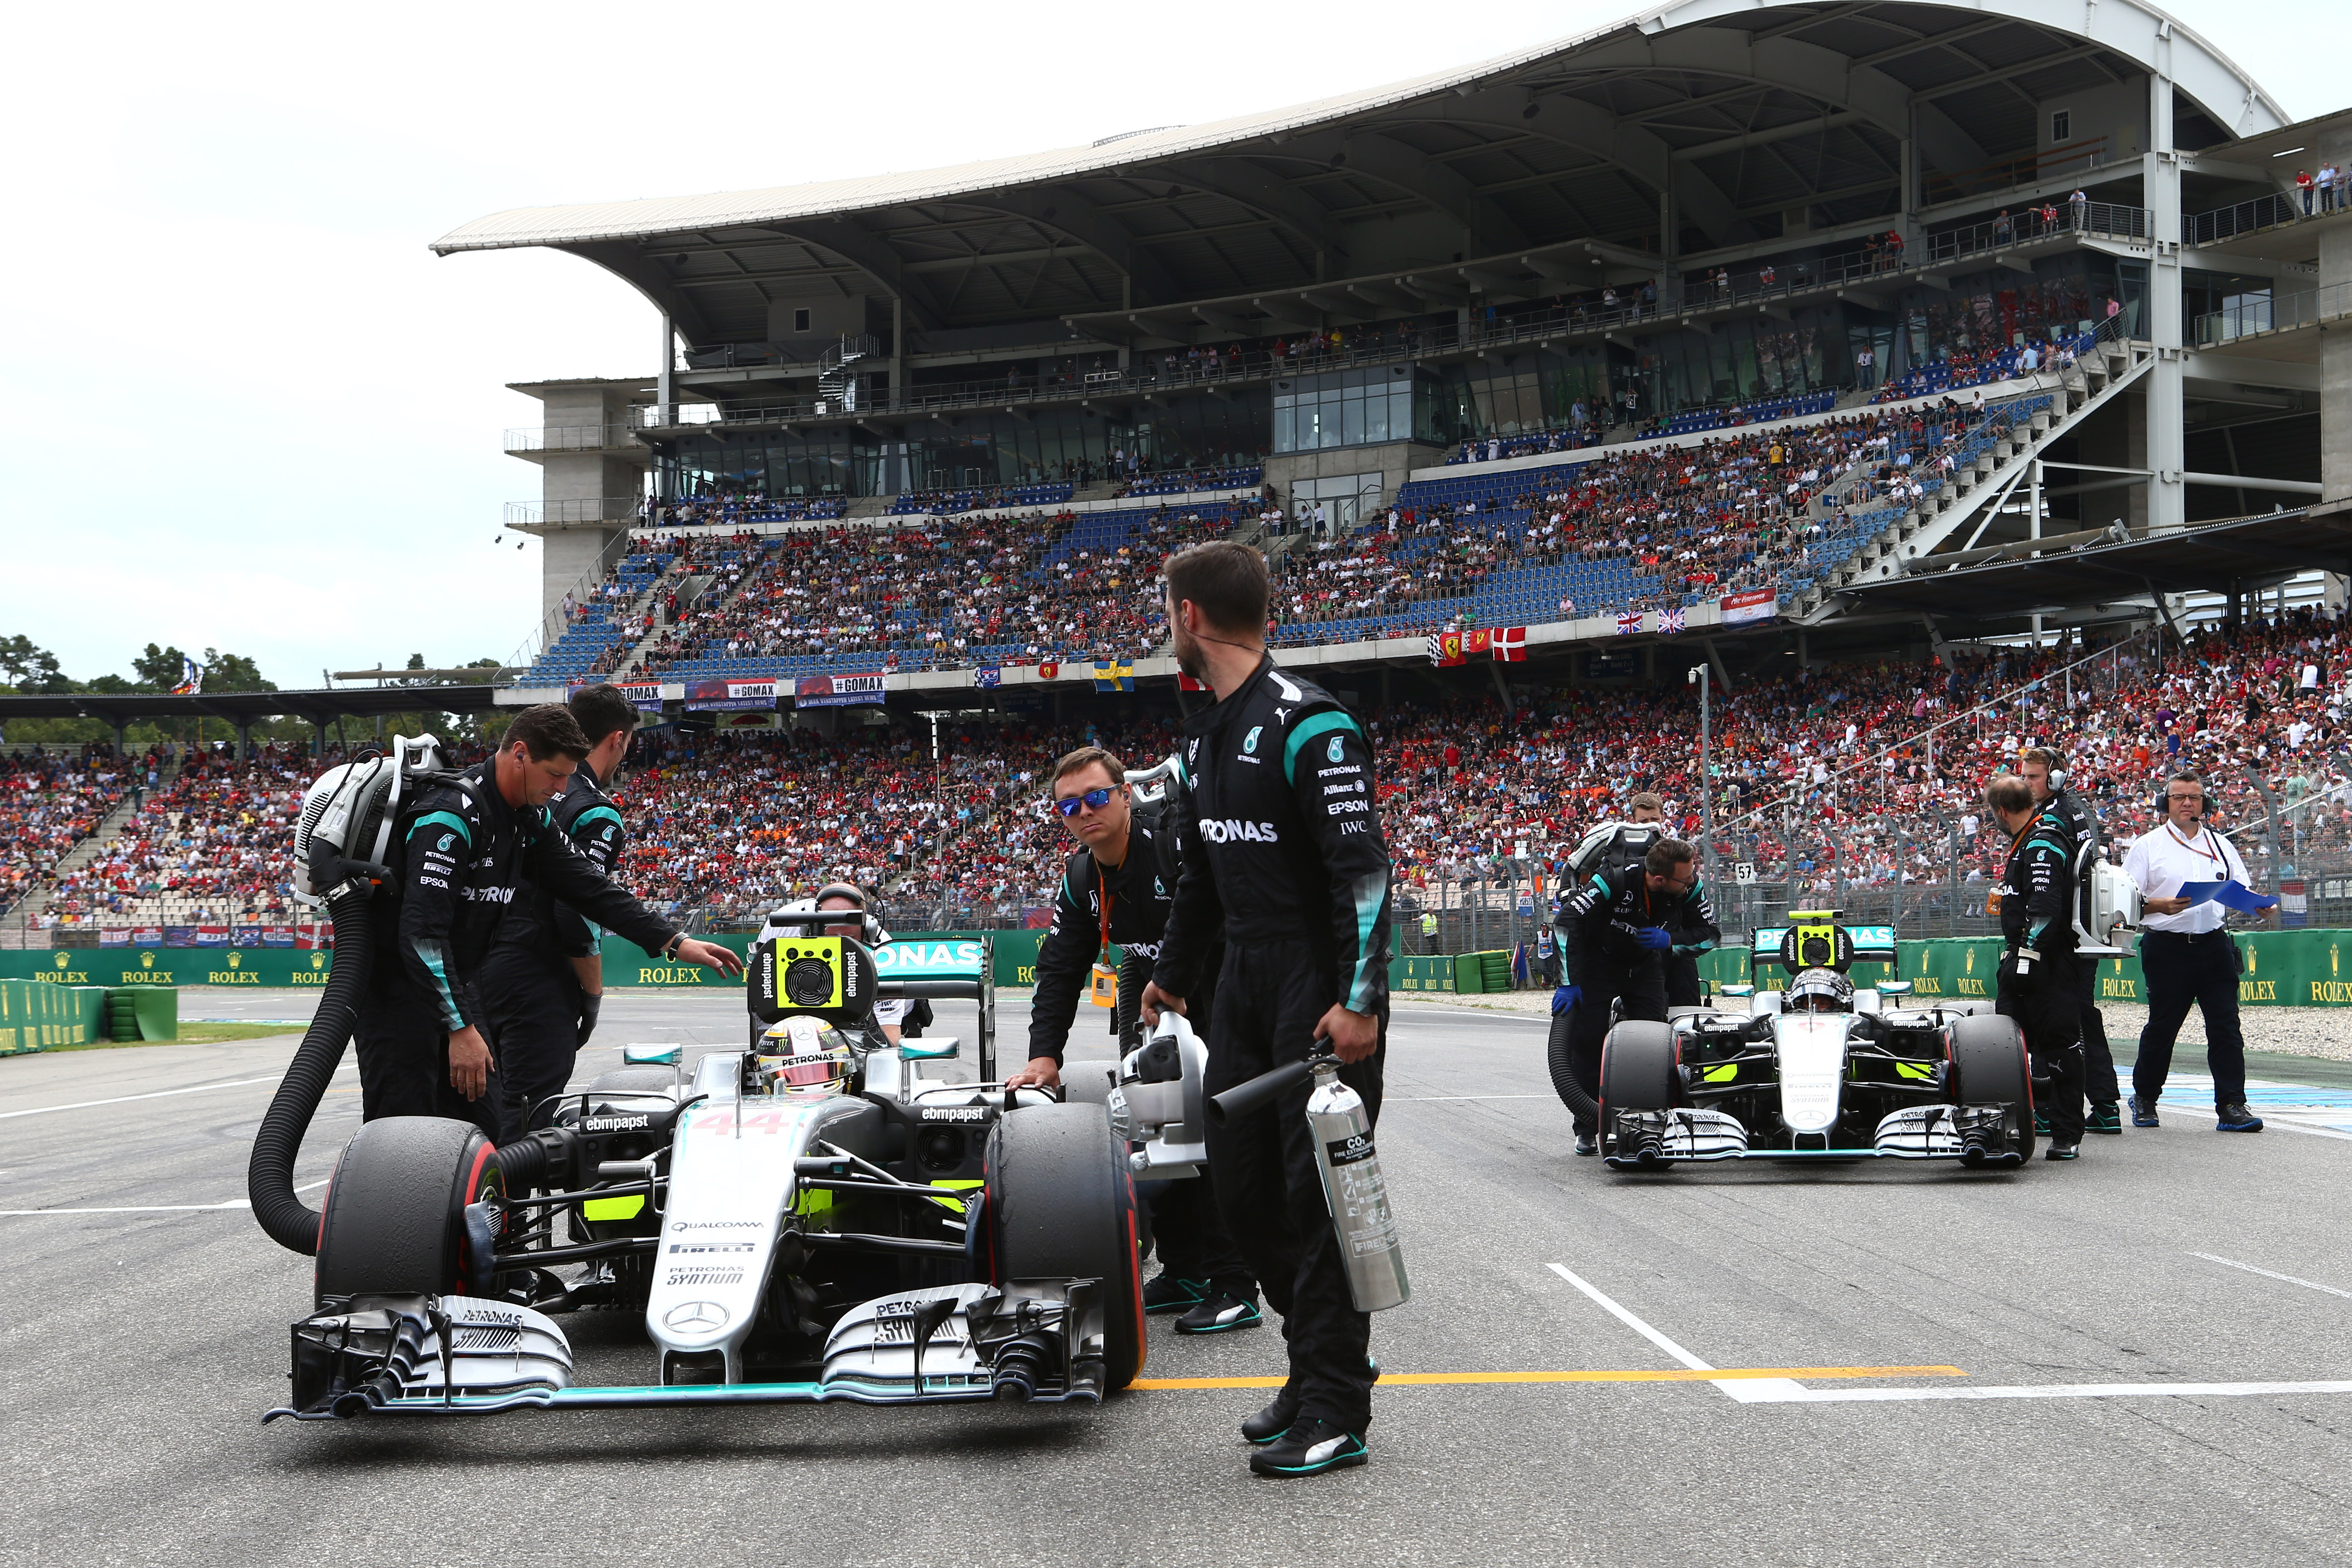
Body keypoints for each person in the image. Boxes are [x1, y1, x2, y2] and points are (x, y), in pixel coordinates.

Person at [1139, 539, 1395, 1480]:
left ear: (1191, 617)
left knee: (1317, 1200)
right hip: (1238, 981)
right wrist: (1170, 976)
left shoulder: (1310, 725)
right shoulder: (1203, 735)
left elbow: (1364, 874)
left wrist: (1360, 1001)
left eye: (1167, 611)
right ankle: (1319, 1361)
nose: (1166, 626)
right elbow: (1202, 876)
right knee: (1243, 1196)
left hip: (1317, 987)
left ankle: (1335, 1403)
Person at [355, 704, 743, 1139]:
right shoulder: (450, 815)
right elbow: (423, 936)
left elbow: (588, 887)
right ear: (520, 753)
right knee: (405, 1142)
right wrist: (460, 1029)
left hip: (461, 990)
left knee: (478, 1138)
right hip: (399, 998)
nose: (561, 788)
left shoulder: (527, 816)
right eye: (555, 775)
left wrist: (673, 941)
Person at [1011, 745, 1262, 1337]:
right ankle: (1186, 1272)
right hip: (1152, 993)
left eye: (1096, 797)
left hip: (1229, 982)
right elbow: (1059, 970)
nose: (1084, 812)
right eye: (1069, 805)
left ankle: (1237, 1285)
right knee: (1151, 1124)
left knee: (1219, 1129)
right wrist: (1045, 1055)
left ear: (1125, 795)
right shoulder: (1080, 879)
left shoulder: (1175, 846)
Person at [478, 682, 639, 1135]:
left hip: (482, 966)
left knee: (485, 1110)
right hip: (537, 976)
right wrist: (592, 995)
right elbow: (577, 909)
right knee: (528, 1116)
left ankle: (471, 1203)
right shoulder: (595, 811)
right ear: (618, 739)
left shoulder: (518, 791)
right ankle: (502, 1208)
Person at [1551, 837, 1717, 1156]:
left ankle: (1654, 1122)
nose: (1691, 882)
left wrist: (1671, 941)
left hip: (1646, 967)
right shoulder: (1612, 878)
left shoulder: (1690, 886)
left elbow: (1710, 937)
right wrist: (1568, 982)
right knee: (1588, 1042)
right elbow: (1565, 921)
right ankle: (1587, 1127)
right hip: (1599, 963)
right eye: (1684, 879)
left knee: (1657, 1047)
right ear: (1660, 879)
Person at [2121, 773, 2264, 1132]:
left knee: (2226, 1028)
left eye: (2195, 798)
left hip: (2214, 945)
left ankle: (2232, 1104)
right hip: (2168, 947)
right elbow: (2122, 902)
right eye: (2180, 797)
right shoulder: (2148, 846)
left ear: (2206, 804)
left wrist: (2260, 906)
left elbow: (2239, 888)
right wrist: (2157, 906)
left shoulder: (2221, 845)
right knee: (2164, 1027)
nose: (2188, 804)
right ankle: (2145, 1097)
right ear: (2164, 803)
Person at [2015, 747, 2121, 1135]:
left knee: (2053, 1021)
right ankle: (2106, 1106)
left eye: (2033, 777)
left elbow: (2051, 883)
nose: (2026, 783)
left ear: (2055, 778)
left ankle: (2047, 1108)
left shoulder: (2054, 817)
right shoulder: (2079, 809)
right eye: (2024, 776)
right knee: (2083, 1017)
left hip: (2063, 935)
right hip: (2083, 929)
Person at [1986, 774, 2084, 1161]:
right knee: (2010, 1044)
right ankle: (2022, 1123)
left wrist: (2027, 957)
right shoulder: (2028, 839)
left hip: (2047, 961)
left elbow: (2044, 911)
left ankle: (2066, 1134)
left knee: (2059, 1043)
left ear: (2001, 811)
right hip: (2024, 957)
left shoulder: (2042, 842)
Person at [1625, 792, 1715, 1007]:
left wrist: (1671, 942)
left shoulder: (1683, 867)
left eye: (1654, 820)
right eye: (1643, 821)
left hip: (1677, 968)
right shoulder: (1620, 868)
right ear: (1632, 822)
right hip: (1630, 964)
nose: (1650, 826)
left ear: (1663, 819)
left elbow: (1711, 936)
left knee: (1686, 1026)